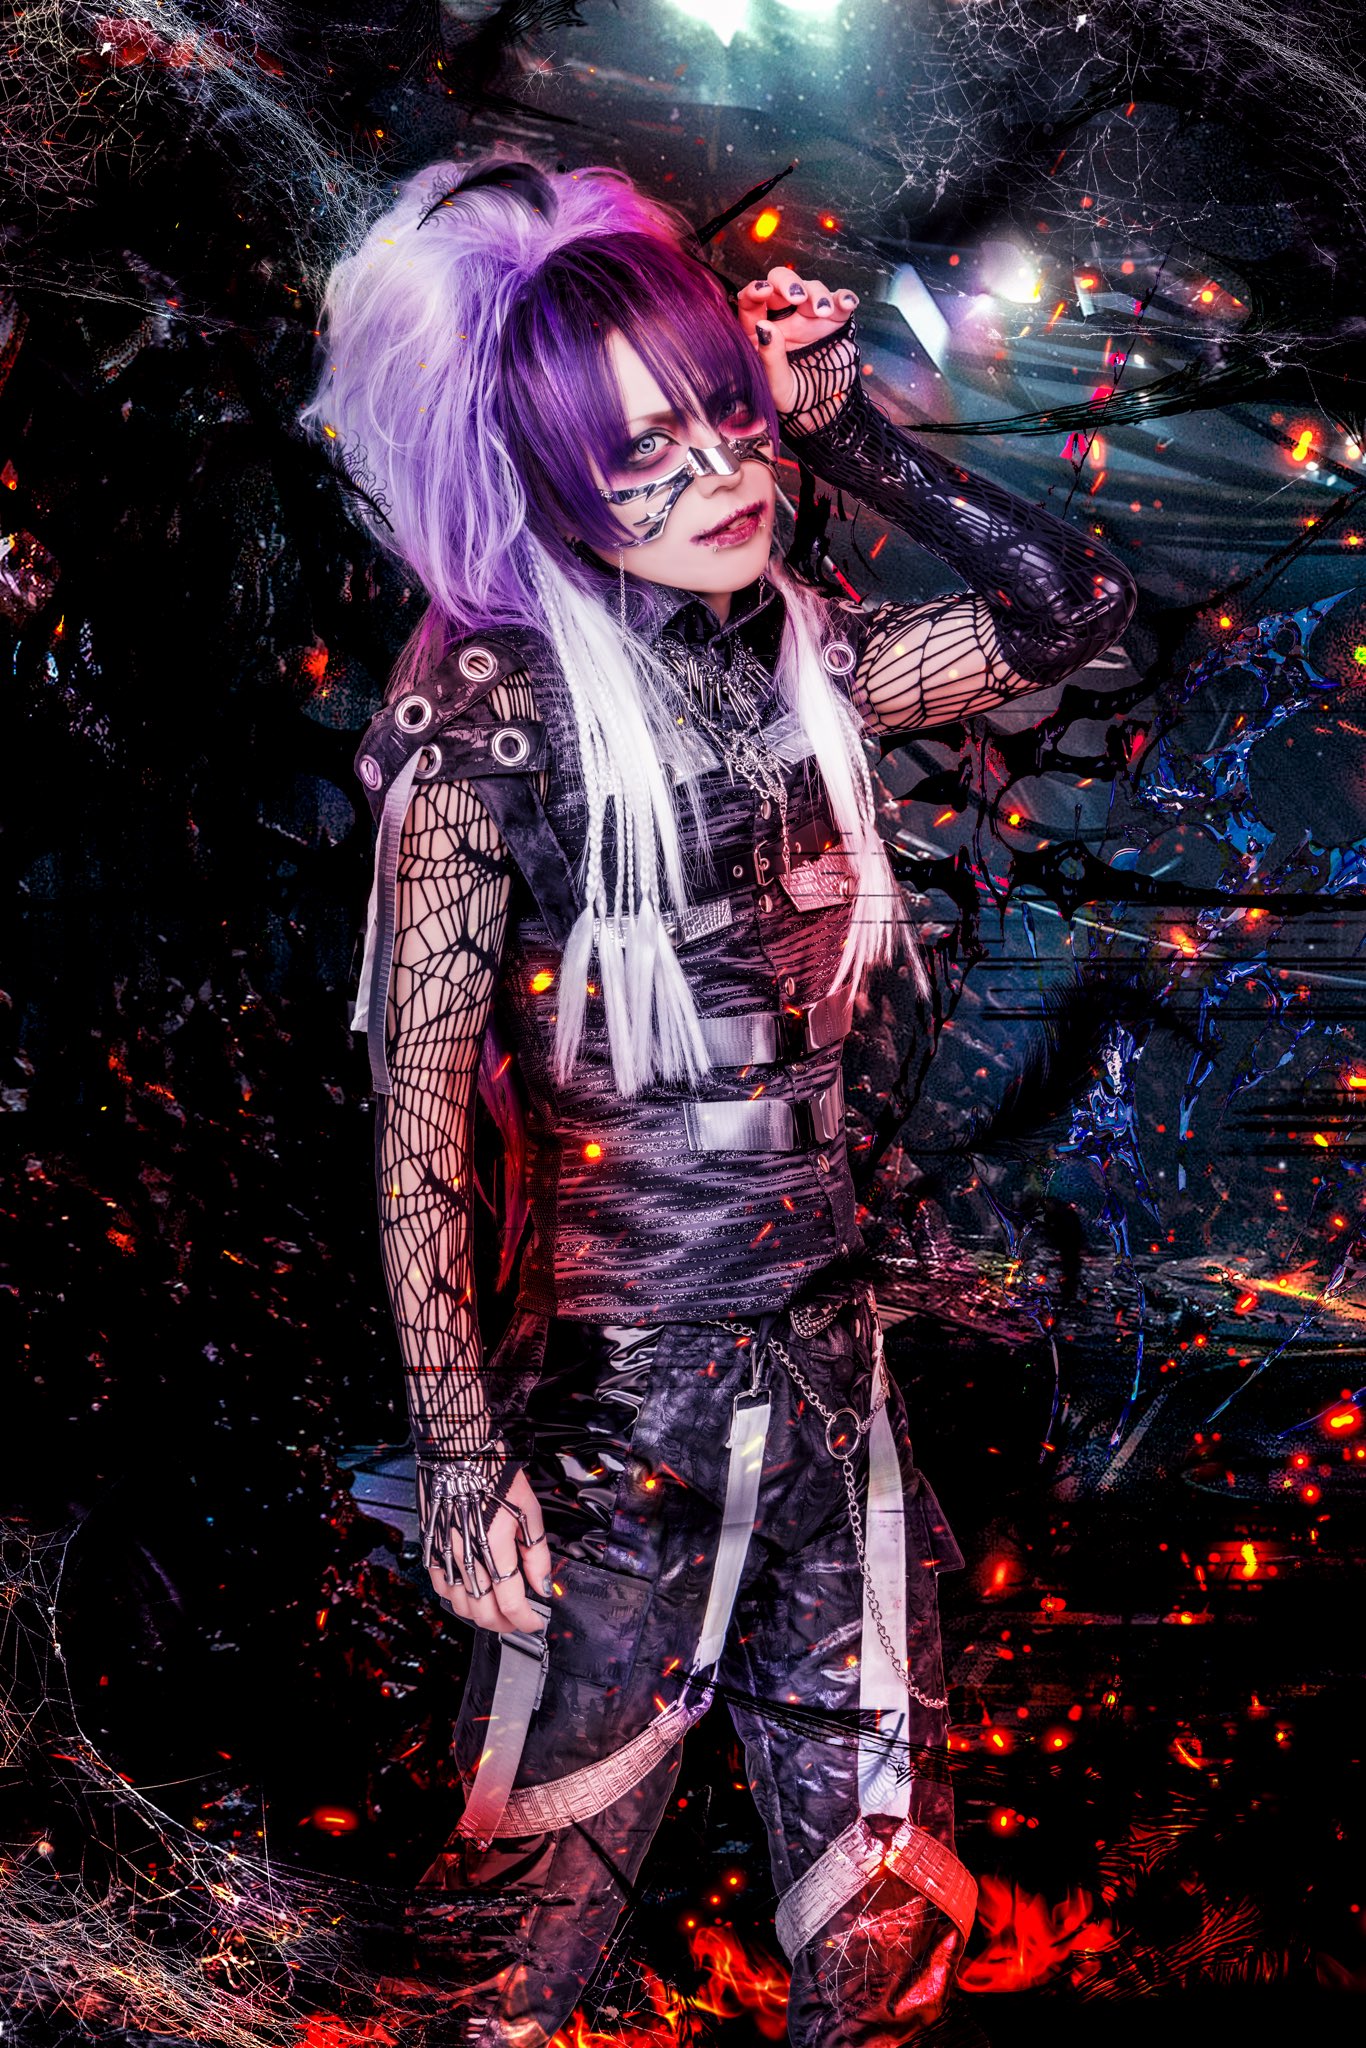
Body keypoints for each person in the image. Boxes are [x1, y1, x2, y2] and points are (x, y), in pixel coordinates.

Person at [307, 157, 1135, 2047]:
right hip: (616, 1420)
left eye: (725, 423)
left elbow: (1071, 609)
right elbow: (417, 1119)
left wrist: (846, 439)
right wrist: (458, 1456)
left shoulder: (791, 649)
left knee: (882, 1924)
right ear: (543, 486)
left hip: (834, 1374)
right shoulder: (488, 709)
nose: (718, 481)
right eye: (646, 461)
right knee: (512, 1961)